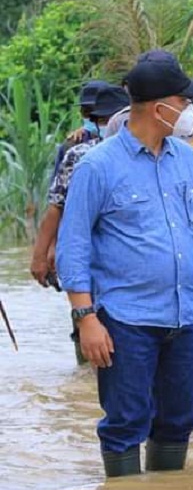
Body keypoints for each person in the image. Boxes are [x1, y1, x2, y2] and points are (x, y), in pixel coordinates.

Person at [56, 50, 193, 478]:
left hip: (187, 316)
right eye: (184, 102)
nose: (190, 111)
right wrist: (86, 318)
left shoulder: (187, 162)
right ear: (160, 108)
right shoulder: (97, 167)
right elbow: (74, 247)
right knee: (124, 423)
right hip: (125, 319)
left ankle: (164, 489)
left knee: (178, 423)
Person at [31, 84, 131, 364]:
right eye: (96, 119)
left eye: (104, 118)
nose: (101, 124)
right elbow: (56, 207)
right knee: (88, 319)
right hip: (89, 258)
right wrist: (44, 253)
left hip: (121, 265)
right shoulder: (78, 154)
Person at [53, 80, 109, 176]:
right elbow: (58, 186)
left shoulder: (127, 144)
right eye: (86, 112)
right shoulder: (72, 145)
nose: (92, 118)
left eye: (97, 112)